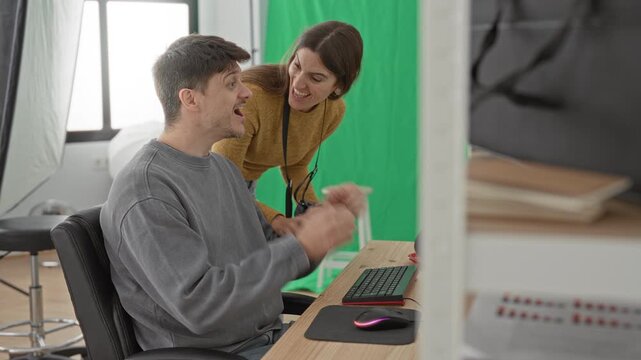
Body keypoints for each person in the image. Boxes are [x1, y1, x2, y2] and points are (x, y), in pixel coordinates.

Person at [100, 34, 364, 359]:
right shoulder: (147, 189)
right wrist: (301, 245)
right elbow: (200, 305)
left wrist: (319, 227)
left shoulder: (223, 170)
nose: (247, 93)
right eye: (230, 84)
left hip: (269, 340)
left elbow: (271, 253)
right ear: (191, 99)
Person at [212, 20, 364, 236]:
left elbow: (296, 164)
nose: (298, 84)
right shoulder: (252, 100)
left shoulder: (333, 111)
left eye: (316, 78)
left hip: (240, 186)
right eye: (297, 66)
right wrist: (277, 221)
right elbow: (222, 183)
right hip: (206, 185)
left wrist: (315, 211)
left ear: (339, 85)